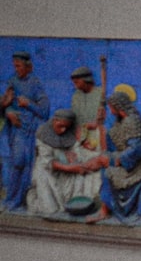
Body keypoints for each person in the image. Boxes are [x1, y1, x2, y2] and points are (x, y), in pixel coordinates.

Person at [84, 88, 141, 225]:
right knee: (101, 166)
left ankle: (105, 211)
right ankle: (104, 209)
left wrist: (115, 159)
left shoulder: (133, 121)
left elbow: (138, 149)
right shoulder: (119, 121)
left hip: (135, 166)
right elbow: (112, 143)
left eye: (110, 107)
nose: (109, 110)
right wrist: (106, 156)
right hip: (123, 160)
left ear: (117, 106)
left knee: (108, 172)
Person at [25, 109, 102, 217]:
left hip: (66, 168)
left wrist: (75, 158)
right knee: (49, 209)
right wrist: (70, 167)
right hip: (47, 172)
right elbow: (48, 162)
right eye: (60, 126)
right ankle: (35, 199)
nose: (63, 130)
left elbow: (75, 150)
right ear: (54, 121)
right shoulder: (43, 133)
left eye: (66, 127)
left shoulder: (68, 133)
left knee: (84, 177)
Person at [1, 51, 50, 211]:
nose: (17, 69)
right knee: (17, 162)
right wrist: (8, 111)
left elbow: (44, 110)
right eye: (15, 66)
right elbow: (6, 101)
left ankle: (18, 201)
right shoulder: (12, 81)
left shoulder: (35, 83)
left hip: (29, 129)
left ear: (29, 67)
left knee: (26, 164)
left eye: (19, 66)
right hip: (17, 129)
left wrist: (28, 103)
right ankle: (10, 199)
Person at [69, 66, 104, 152]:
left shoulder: (100, 93)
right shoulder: (76, 95)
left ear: (86, 80)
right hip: (80, 135)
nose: (75, 86)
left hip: (97, 133)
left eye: (77, 82)